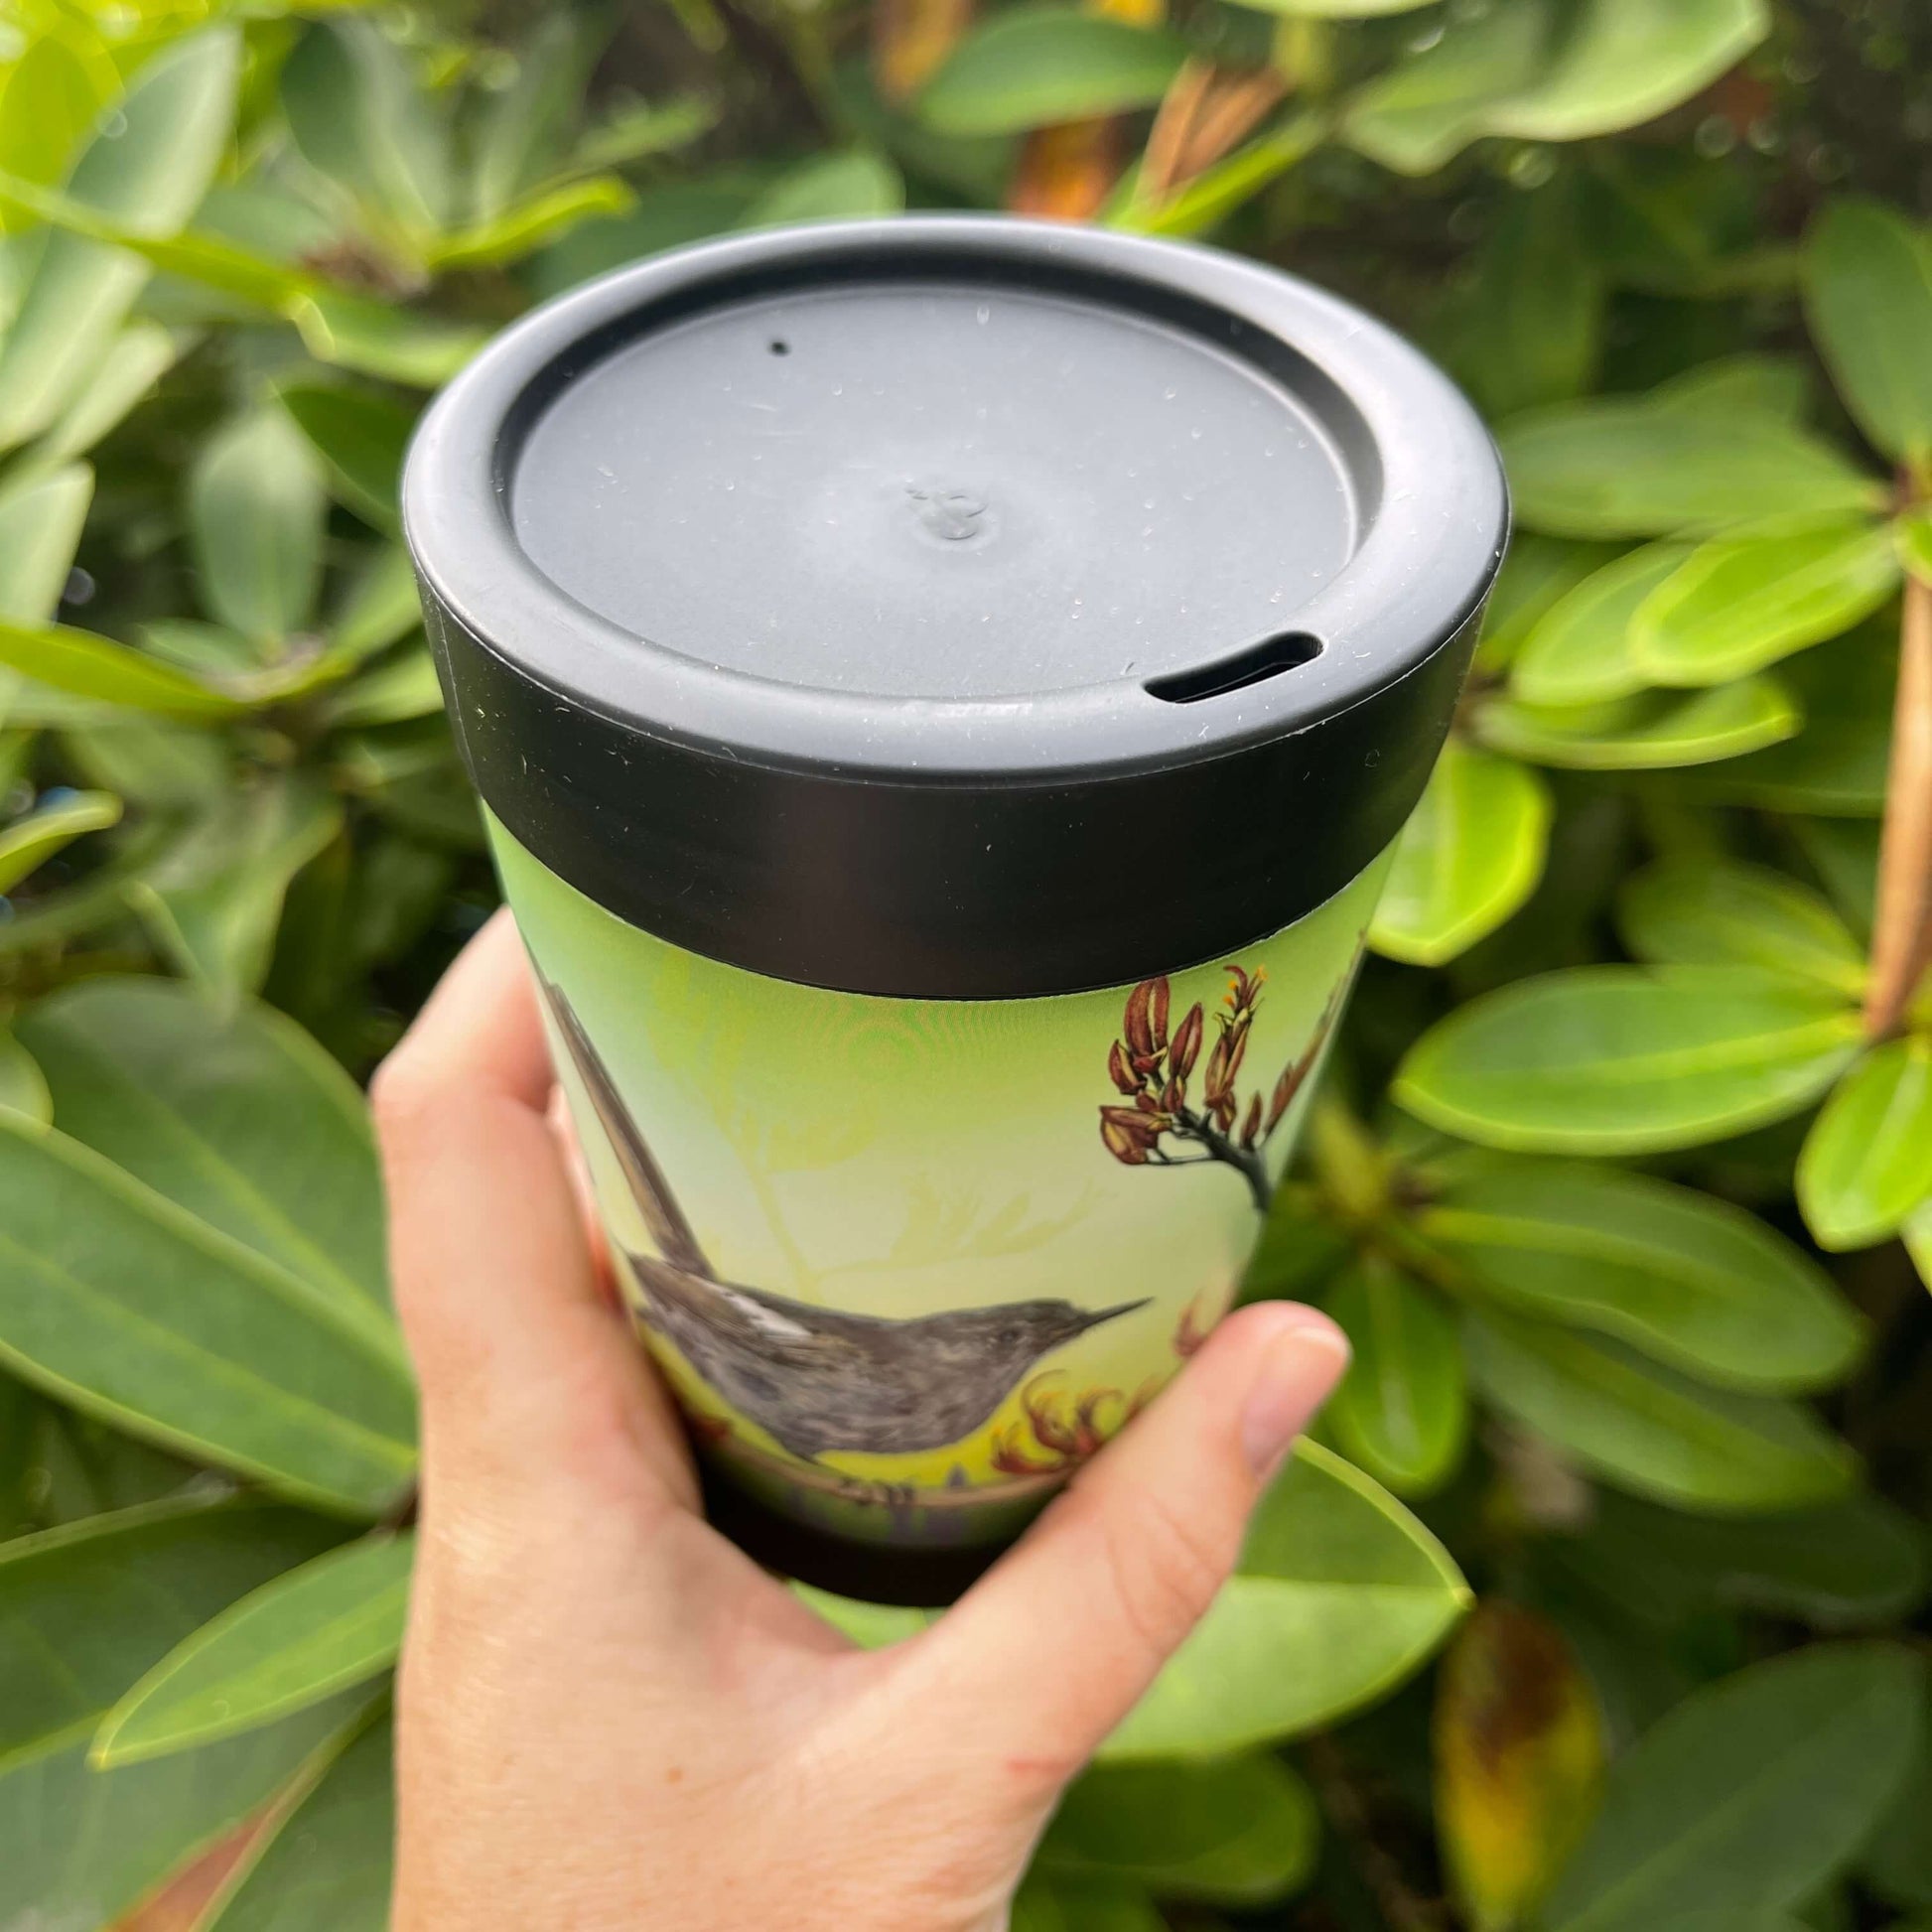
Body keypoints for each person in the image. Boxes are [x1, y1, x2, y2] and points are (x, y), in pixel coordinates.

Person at [373, 910, 1351, 1930]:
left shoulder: (955, 1385)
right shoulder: (909, 1375)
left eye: (1040, 1336)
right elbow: (759, 1335)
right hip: (725, 1343)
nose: (1040, 1344)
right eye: (1024, 1334)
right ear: (976, 1342)